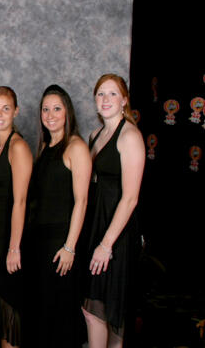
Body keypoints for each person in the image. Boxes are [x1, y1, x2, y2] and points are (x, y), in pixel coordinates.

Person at [23, 85, 92, 347]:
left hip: (61, 244)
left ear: (67, 112)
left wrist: (70, 247)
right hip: (39, 244)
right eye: (45, 109)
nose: (50, 114)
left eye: (57, 108)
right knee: (41, 313)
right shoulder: (45, 147)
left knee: (60, 314)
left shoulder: (76, 147)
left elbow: (82, 201)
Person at [81, 74, 145, 348]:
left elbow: (130, 198)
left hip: (116, 234)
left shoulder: (130, 135)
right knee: (96, 308)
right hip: (97, 225)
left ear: (124, 100)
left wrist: (106, 244)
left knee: (104, 309)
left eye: (112, 94)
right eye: (101, 94)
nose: (106, 100)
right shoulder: (95, 135)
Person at [0, 86, 33, 348]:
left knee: (10, 307)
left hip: (11, 238)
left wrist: (14, 247)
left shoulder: (18, 146)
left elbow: (21, 201)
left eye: (5, 108)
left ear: (16, 111)